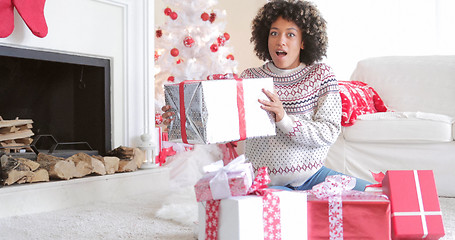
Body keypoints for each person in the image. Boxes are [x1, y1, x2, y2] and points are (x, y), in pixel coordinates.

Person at [162, 0, 371, 191]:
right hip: (266, 183)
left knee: (374, 194)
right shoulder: (251, 78)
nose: (280, 41)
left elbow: (329, 131)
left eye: (290, 34)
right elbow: (226, 129)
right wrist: (181, 120)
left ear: (304, 42)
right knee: (266, 224)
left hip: (314, 177)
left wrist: (284, 119)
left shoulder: (321, 75)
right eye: (274, 33)